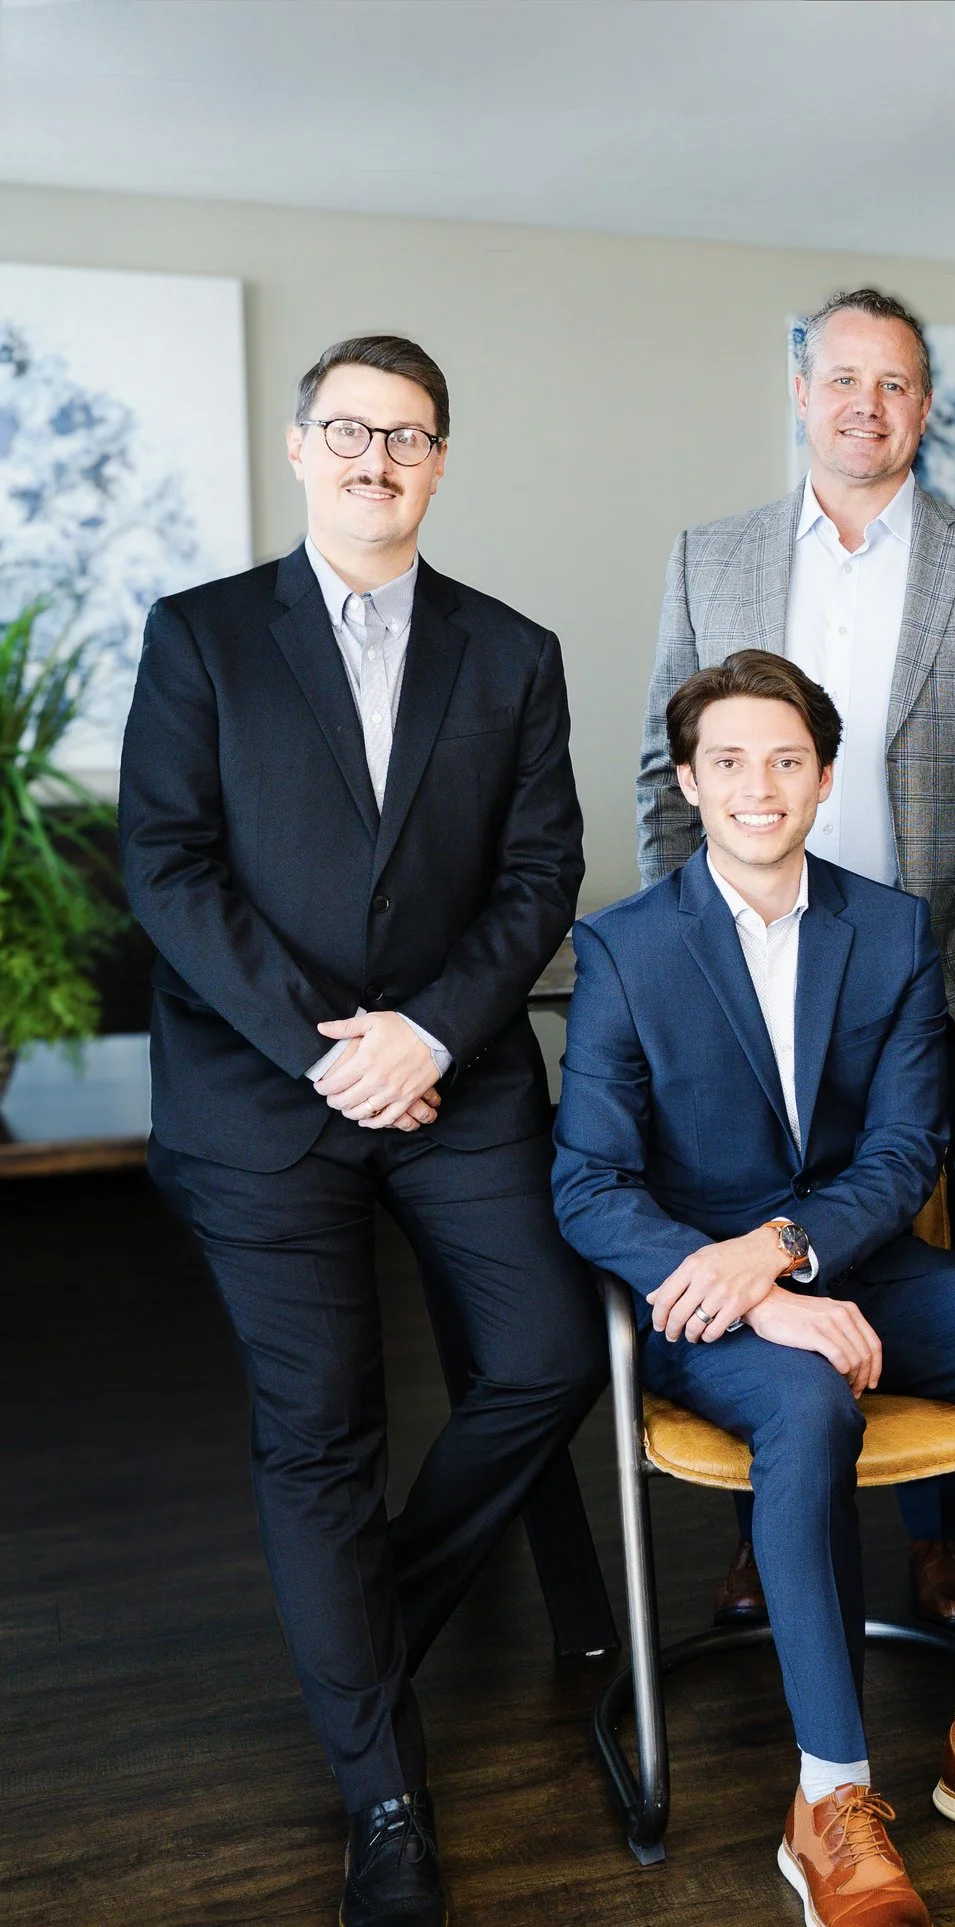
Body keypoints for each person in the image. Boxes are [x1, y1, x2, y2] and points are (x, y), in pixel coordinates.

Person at [120, 335, 605, 1927]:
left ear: (442, 460)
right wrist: (332, 1045)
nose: (375, 458)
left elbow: (542, 870)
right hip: (266, 1095)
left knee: (545, 1356)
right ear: (298, 445)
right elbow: (170, 866)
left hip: (455, 1083)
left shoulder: (511, 651)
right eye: (349, 429)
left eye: (406, 435)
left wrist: (432, 1032)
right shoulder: (202, 639)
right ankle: (385, 1792)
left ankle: (365, 1618)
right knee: (321, 1429)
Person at [557, 651, 955, 1923]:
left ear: (824, 777)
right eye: (729, 762)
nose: (757, 787)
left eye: (784, 760)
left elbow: (902, 1151)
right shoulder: (623, 949)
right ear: (692, 784)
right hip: (701, 1301)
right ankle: (829, 1791)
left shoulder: (888, 929)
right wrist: (757, 1292)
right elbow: (589, 1186)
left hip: (858, 1261)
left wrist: (788, 1250)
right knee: (809, 1400)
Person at [636, 287, 955, 1636]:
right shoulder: (715, 555)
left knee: (946, 1242)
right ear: (803, 393)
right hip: (755, 992)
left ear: (924, 408)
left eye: (897, 383)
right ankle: (771, 1524)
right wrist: (684, 961)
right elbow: (660, 768)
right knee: (755, 1238)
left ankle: (941, 1536)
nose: (867, 404)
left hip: (947, 982)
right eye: (843, 378)